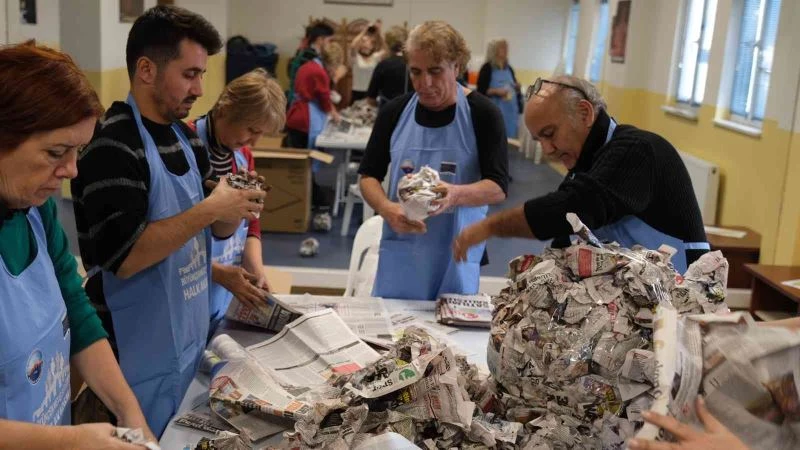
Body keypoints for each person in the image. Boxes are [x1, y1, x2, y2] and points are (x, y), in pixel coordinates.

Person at [71, 5, 265, 437]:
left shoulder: (184, 138)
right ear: (146, 69)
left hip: (183, 338)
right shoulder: (112, 144)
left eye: (202, 75)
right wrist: (212, 208)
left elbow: (212, 231)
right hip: (129, 352)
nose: (200, 88)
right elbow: (127, 257)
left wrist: (237, 209)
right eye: (189, 74)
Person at [0, 42, 154, 449]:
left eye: (77, 152)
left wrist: (129, 411)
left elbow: (75, 306)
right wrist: (68, 442)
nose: (71, 170)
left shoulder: (34, 211)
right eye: (55, 152)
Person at [454, 76, 709, 274]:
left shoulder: (636, 150)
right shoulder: (586, 166)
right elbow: (564, 239)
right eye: (538, 139)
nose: (547, 150)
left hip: (680, 298)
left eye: (550, 133)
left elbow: (575, 208)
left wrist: (490, 226)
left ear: (585, 113)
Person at [358, 21, 509, 301]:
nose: (424, 83)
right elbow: (368, 175)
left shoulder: (483, 114)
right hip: (404, 250)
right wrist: (385, 207)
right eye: (416, 72)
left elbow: (498, 187)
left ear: (456, 66)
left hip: (456, 251)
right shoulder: (395, 112)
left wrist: (454, 194)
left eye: (435, 71)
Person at [188, 68, 286, 335]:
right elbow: (168, 235)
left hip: (222, 297)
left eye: (261, 133)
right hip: (186, 291)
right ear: (226, 108)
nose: (253, 141)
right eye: (251, 129)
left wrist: (257, 271)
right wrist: (217, 272)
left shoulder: (242, 157)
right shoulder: (184, 145)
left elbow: (251, 226)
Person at [477, 38, 523, 139]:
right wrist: (496, 91)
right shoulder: (487, 68)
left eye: (507, 47)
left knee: (510, 143)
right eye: (502, 47)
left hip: (510, 113)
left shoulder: (509, 68)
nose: (506, 50)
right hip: (495, 113)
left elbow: (513, 85)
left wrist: (517, 87)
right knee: (495, 140)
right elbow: (480, 91)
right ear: (494, 50)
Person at [287, 22, 336, 106]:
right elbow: (318, 87)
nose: (330, 45)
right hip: (305, 106)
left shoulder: (303, 53)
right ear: (320, 40)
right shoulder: (310, 58)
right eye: (329, 41)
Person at [366, 25, 412, 108]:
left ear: (387, 43)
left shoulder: (383, 65)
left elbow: (370, 100)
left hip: (387, 114)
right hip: (410, 114)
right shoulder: (414, 64)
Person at [350, 20, 388, 102]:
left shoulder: (375, 57)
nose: (366, 44)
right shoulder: (356, 57)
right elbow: (353, 46)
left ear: (373, 45)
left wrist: (379, 32)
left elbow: (386, 50)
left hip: (371, 93)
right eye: (363, 41)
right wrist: (365, 30)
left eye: (369, 42)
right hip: (357, 92)